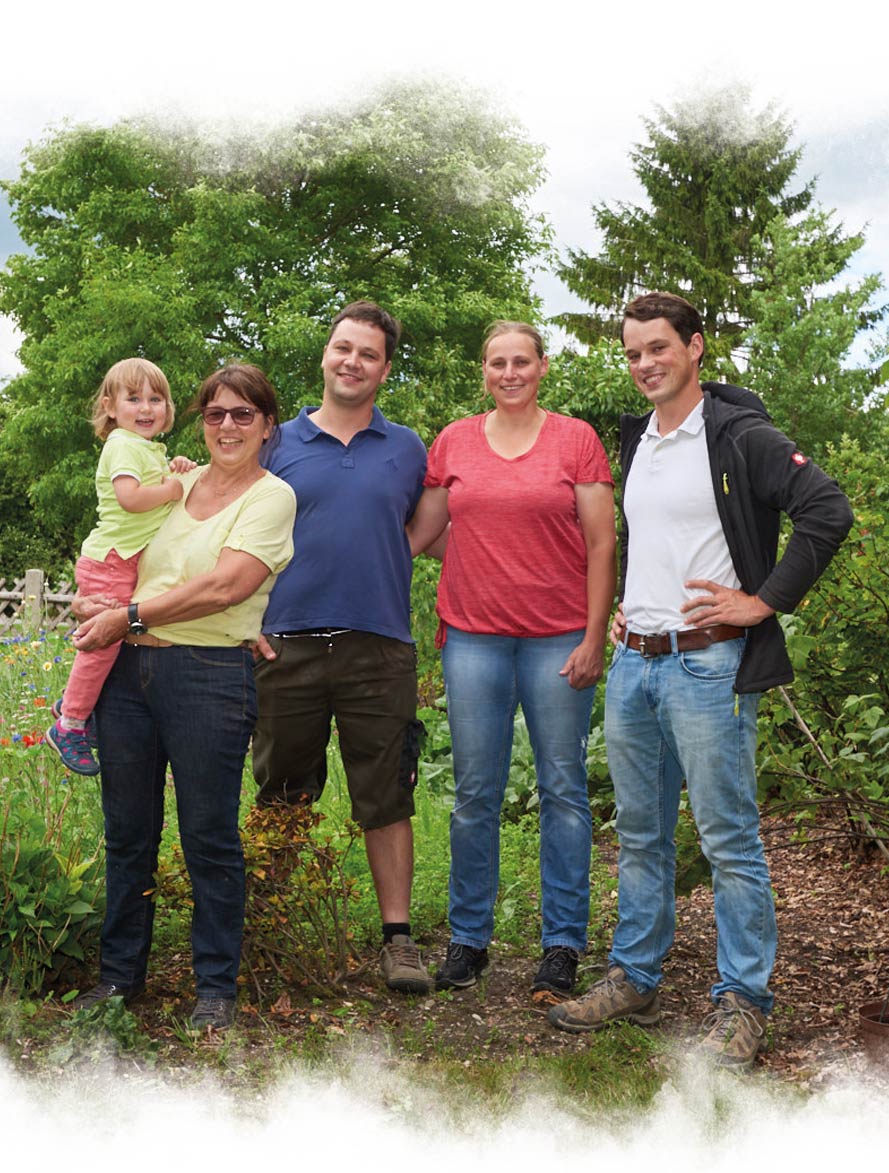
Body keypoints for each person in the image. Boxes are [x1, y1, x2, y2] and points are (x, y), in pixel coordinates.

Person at [545, 292, 852, 1072]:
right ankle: (636, 979)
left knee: (728, 840)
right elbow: (657, 540)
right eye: (633, 352)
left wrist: (762, 601)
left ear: (695, 347)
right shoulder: (639, 439)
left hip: (707, 664)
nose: (645, 362)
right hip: (635, 663)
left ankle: (743, 1002)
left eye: (659, 347)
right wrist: (630, 608)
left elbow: (826, 509)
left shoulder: (739, 433)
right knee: (641, 837)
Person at [67, 364, 297, 1030]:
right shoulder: (177, 481)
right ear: (201, 420)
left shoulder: (271, 496)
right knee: (128, 833)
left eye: (243, 414)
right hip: (127, 676)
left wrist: (129, 615)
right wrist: (97, 601)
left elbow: (227, 585)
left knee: (208, 837)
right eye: (216, 412)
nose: (228, 425)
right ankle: (119, 978)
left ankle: (216, 986)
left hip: (208, 675)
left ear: (267, 425)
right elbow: (122, 548)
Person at [405, 321, 615, 997]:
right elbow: (423, 534)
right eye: (497, 362)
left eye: (521, 360)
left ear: (542, 367)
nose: (510, 372)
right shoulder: (455, 441)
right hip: (473, 637)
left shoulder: (575, 439)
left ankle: (561, 943)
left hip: (558, 636)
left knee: (562, 790)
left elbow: (602, 543)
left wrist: (592, 634)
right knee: (474, 794)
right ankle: (468, 938)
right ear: (484, 371)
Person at [251, 300, 434, 994]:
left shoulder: (408, 448)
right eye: (342, 348)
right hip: (284, 645)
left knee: (386, 794)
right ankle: (267, 932)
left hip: (378, 645)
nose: (352, 361)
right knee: (282, 790)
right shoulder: (276, 442)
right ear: (325, 354)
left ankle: (399, 940)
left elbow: (426, 526)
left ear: (385, 369)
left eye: (368, 353)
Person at [46, 357, 195, 775]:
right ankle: (70, 724)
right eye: (134, 399)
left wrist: (175, 467)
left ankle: (75, 703)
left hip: (121, 559)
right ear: (111, 407)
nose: (146, 408)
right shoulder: (122, 445)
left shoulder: (145, 447)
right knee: (104, 643)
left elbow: (154, 482)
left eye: (156, 399)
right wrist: (170, 490)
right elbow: (130, 497)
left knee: (116, 641)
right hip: (111, 559)